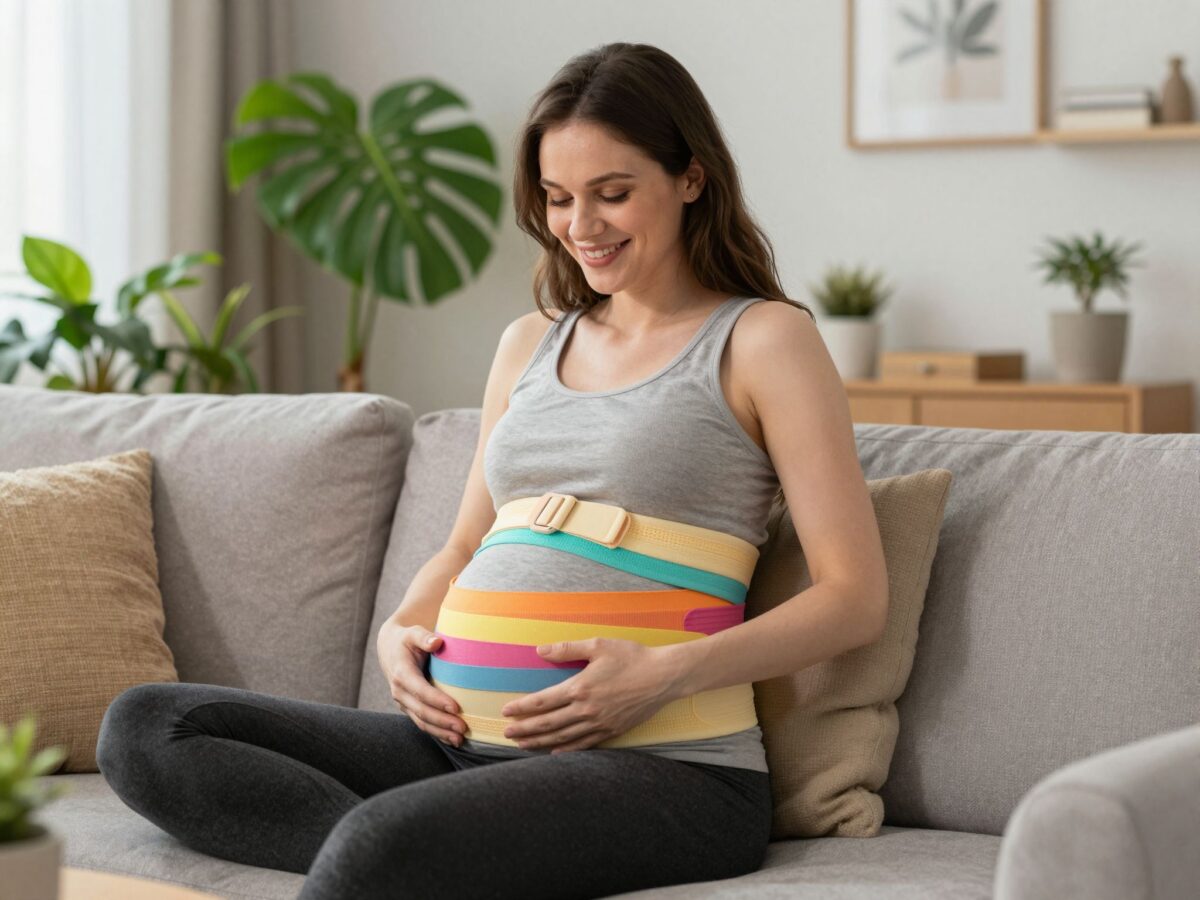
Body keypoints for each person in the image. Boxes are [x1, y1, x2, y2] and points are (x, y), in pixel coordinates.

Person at [96, 42, 889, 900]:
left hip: (669, 767)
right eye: (558, 197)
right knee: (151, 727)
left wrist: (663, 675)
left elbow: (854, 596)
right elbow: (466, 543)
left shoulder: (764, 340)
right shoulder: (529, 343)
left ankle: (398, 857)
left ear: (690, 178)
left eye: (612, 193)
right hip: (456, 749)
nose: (581, 226)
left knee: (380, 845)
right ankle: (422, 859)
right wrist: (399, 633)